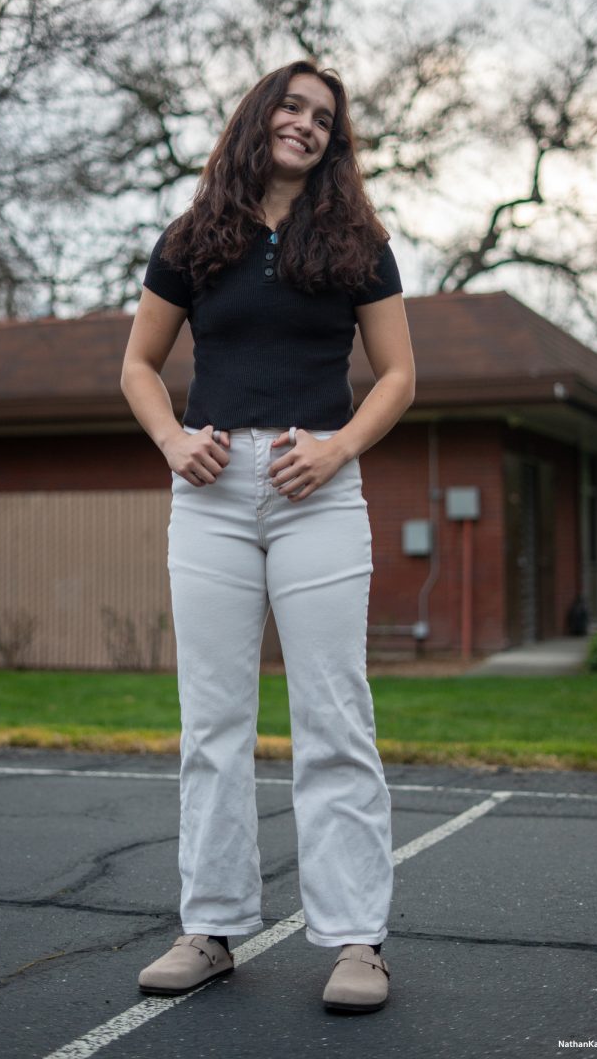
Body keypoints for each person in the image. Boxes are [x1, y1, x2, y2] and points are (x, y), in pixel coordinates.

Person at [120, 59, 415, 1014]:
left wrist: (335, 452)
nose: (306, 124)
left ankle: (358, 943)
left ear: (335, 141)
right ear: (260, 117)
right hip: (209, 496)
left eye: (324, 116)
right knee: (213, 723)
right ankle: (209, 928)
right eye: (291, 106)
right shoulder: (194, 236)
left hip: (318, 492)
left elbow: (400, 376)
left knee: (334, 718)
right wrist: (172, 438)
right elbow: (137, 364)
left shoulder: (359, 241)